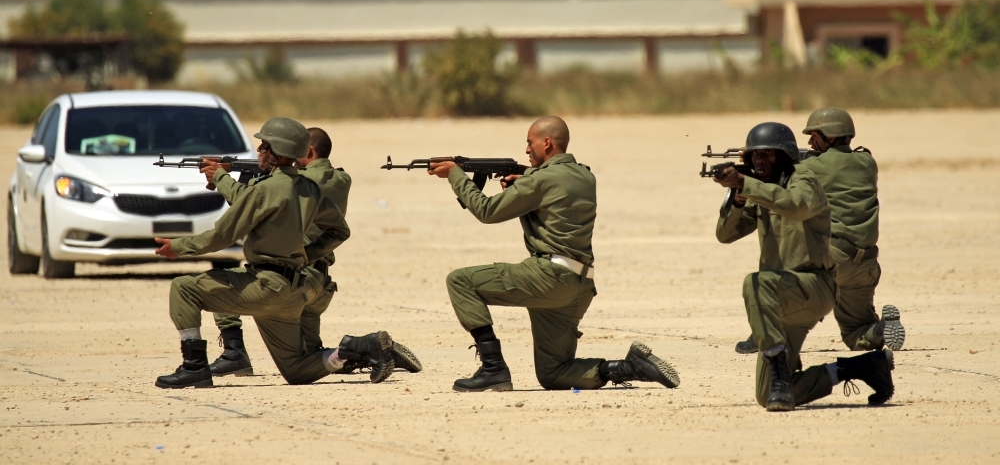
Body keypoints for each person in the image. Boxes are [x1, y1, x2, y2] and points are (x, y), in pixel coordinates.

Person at [428, 116, 680, 392]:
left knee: (460, 281)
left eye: (529, 142)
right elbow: (554, 190)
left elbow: (487, 212)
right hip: (579, 285)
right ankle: (627, 367)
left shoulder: (539, 180)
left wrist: (455, 174)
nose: (526, 149)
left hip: (549, 277)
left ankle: (493, 369)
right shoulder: (585, 175)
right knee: (554, 374)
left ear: (546, 142)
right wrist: (525, 178)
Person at [152, 117, 399, 389]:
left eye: (263, 146)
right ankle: (356, 349)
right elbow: (340, 231)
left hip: (265, 285)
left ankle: (195, 366)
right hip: (292, 291)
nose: (259, 151)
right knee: (297, 370)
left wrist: (177, 247)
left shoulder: (266, 189)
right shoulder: (311, 189)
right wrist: (305, 254)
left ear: (276, 152)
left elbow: (222, 235)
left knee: (184, 289)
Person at [206, 126, 421, 377]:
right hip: (319, 284)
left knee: (222, 283)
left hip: (296, 279)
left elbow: (252, 202)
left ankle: (234, 354)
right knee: (314, 359)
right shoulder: (340, 179)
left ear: (308, 150)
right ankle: (370, 350)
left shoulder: (301, 182)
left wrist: (222, 177)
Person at [714, 122, 895, 411]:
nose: (760, 162)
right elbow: (725, 235)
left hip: (814, 286)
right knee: (768, 395)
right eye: (754, 157)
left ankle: (777, 364)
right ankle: (861, 367)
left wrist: (746, 184)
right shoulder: (760, 190)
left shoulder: (805, 179)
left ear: (785, 155)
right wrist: (736, 201)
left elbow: (795, 205)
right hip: (783, 298)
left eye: (768, 155)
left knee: (755, 283)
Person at [800, 108, 904, 351]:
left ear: (831, 136)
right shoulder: (867, 162)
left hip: (833, 261)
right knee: (857, 333)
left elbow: (784, 183)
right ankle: (880, 330)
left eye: (815, 135)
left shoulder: (815, 167)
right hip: (865, 264)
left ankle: (766, 335)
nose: (810, 142)